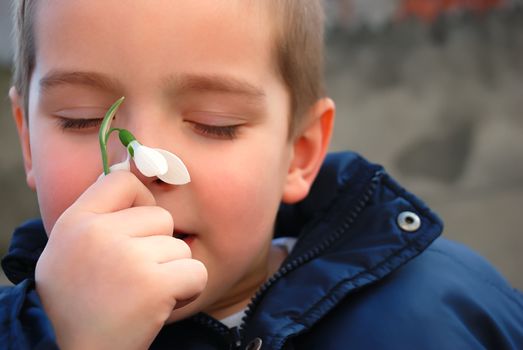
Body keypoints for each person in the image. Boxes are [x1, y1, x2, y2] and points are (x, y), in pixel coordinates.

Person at [1, 0, 522, 349]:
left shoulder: (443, 309)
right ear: (26, 139)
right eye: (83, 120)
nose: (139, 167)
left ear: (298, 153)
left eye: (214, 124)